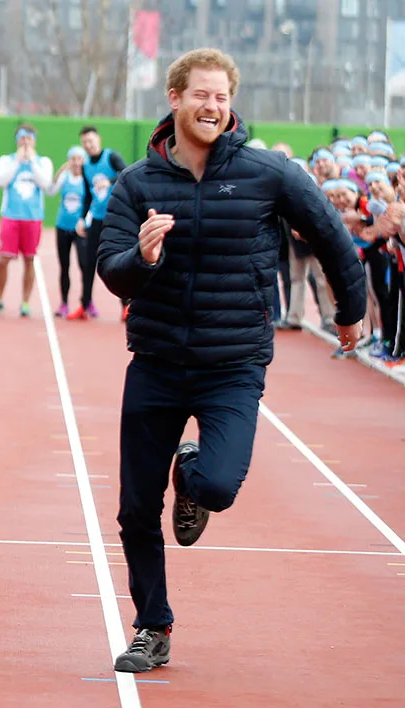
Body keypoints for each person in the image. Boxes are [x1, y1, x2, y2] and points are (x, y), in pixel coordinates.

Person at [96, 48, 366, 673]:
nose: (213, 106)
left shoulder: (268, 173)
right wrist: (141, 258)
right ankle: (152, 627)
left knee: (217, 484)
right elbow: (111, 269)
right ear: (175, 98)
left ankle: (191, 474)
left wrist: (350, 311)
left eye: (222, 97)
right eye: (202, 95)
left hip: (233, 364)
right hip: (157, 362)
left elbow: (328, 232)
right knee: (136, 508)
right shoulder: (138, 183)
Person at [0, 123, 53, 317]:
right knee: (3, 259)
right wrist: (18, 161)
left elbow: (45, 183)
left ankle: (25, 302)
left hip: (33, 218)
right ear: (17, 140)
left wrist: (32, 161)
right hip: (11, 216)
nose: (25, 142)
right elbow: (1, 181)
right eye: (22, 138)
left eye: (29, 139)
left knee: (29, 259)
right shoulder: (6, 160)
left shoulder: (43, 162)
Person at [73, 125, 128, 321]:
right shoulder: (86, 166)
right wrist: (81, 218)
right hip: (96, 219)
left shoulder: (111, 157)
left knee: (119, 263)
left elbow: (126, 173)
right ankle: (85, 305)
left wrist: (109, 181)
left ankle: (126, 306)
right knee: (88, 263)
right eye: (85, 142)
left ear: (98, 140)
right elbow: (88, 195)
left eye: (91, 141)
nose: (88, 145)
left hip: (115, 218)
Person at [46, 145, 87, 318]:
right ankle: (64, 303)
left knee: (84, 265)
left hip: (81, 229)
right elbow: (50, 191)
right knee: (64, 266)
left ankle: (86, 302)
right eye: (73, 159)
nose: (76, 163)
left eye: (79, 159)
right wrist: (60, 171)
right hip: (63, 226)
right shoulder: (65, 177)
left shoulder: (87, 179)